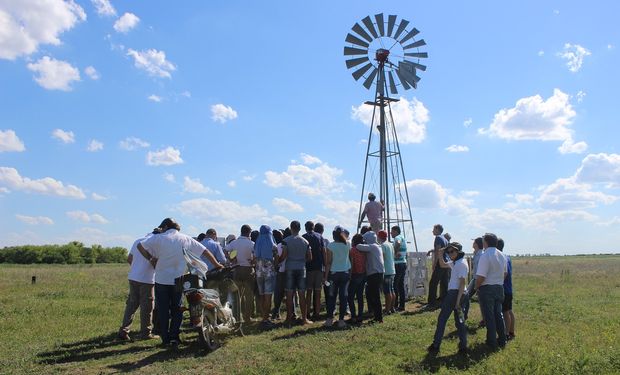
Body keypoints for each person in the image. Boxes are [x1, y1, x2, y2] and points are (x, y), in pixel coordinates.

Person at [137, 218, 224, 348]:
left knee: (163, 309)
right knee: (177, 309)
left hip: (161, 279)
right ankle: (174, 337)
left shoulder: (159, 238)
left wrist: (150, 258)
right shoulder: (185, 238)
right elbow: (205, 251)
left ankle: (165, 338)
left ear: (166, 227)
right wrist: (217, 264)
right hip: (178, 280)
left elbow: (140, 246)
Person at [427, 242, 469, 354]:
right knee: (459, 321)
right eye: (448, 251)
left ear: (458, 251)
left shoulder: (461, 264)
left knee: (443, 319)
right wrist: (441, 254)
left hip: (456, 294)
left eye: (452, 251)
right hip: (457, 294)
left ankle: (436, 345)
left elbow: (462, 283)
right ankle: (463, 347)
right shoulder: (456, 262)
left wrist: (458, 301)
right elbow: (442, 265)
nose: (450, 254)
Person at [118, 233, 157, 341]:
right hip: (147, 279)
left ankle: (124, 330)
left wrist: (137, 269)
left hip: (133, 277)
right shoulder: (156, 243)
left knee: (131, 305)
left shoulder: (137, 240)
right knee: (147, 307)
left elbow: (129, 258)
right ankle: (146, 332)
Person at [476, 233, 508, 349]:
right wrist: (498, 281)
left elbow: (481, 276)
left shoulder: (485, 255)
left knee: (489, 316)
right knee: (498, 315)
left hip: (487, 288)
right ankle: (502, 340)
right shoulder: (502, 255)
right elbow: (505, 273)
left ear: (486, 242)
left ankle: (492, 342)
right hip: (499, 287)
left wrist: (476, 287)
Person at [280, 220, 313, 326]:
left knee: (289, 295)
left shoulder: (286, 241)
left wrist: (278, 260)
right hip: (301, 268)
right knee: (302, 294)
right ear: (299, 229)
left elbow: (284, 255)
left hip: (290, 268)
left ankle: (289, 319)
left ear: (291, 228)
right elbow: (310, 257)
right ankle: (304, 319)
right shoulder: (305, 241)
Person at [225, 224, 255, 323]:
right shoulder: (251, 243)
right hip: (248, 270)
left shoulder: (234, 243)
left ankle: (237, 317)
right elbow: (255, 255)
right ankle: (247, 317)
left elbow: (225, 250)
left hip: (237, 269)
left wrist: (230, 259)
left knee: (237, 296)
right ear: (248, 232)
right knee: (249, 295)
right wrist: (252, 261)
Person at [324, 226, 351, 328]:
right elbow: (350, 258)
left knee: (332, 297)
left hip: (333, 274)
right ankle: (341, 320)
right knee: (343, 297)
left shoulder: (330, 246)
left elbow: (328, 262)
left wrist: (325, 277)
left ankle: (329, 319)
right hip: (345, 273)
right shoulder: (348, 244)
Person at [356, 231, 385, 323]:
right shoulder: (377, 246)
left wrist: (358, 241)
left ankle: (378, 317)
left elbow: (358, 246)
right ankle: (376, 315)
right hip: (377, 273)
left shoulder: (372, 247)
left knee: (375, 296)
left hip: (374, 274)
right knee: (371, 294)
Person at [254, 225, 277, 329]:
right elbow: (276, 258)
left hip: (259, 271)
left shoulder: (256, 244)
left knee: (261, 295)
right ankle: (266, 319)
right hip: (269, 271)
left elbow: (254, 258)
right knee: (268, 297)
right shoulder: (273, 245)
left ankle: (263, 317)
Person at [302, 221, 326, 321]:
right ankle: (317, 312)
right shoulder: (320, 237)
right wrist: (325, 264)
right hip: (319, 266)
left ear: (305, 227)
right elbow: (324, 251)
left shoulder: (303, 237)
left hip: (308, 267)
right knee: (318, 291)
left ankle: (307, 312)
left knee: (309, 291)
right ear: (313, 227)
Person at [427, 224, 450, 307]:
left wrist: (434, 263)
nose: (432, 231)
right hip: (446, 263)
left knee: (433, 283)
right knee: (444, 283)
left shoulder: (438, 238)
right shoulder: (445, 239)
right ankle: (443, 300)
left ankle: (432, 302)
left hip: (440, 263)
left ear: (437, 229)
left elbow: (438, 251)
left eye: (434, 229)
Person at [497, 238, 515, 340]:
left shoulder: (503, 258)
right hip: (508, 288)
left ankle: (506, 333)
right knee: (509, 310)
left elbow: (505, 273)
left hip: (504, 288)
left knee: (505, 311)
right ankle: (511, 332)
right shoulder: (507, 257)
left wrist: (499, 283)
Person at [348, 233, 366, 324]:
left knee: (350, 297)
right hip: (363, 275)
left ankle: (353, 316)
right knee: (360, 297)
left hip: (355, 275)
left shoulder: (352, 250)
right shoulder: (364, 250)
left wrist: (349, 276)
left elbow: (351, 264)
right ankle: (360, 315)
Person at [465, 237, 484, 322]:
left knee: (481, 300)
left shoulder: (481, 255)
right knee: (466, 296)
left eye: (474, 242)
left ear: (477, 244)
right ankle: (464, 315)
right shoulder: (476, 254)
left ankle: (485, 319)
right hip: (475, 278)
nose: (472, 243)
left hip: (478, 279)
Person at [378, 230, 396, 314]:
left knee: (387, 291)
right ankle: (392, 308)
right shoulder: (390, 244)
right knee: (391, 290)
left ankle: (387, 310)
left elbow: (383, 258)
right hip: (392, 269)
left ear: (379, 237)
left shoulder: (382, 246)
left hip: (386, 271)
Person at [271, 229, 286, 320]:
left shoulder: (276, 246)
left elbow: (275, 260)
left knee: (278, 294)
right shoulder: (284, 245)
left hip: (279, 271)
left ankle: (276, 312)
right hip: (287, 271)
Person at [391, 225, 407, 311]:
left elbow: (398, 243)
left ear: (396, 231)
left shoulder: (398, 237)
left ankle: (395, 304)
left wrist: (395, 252)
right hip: (403, 263)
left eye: (392, 231)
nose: (391, 233)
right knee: (400, 285)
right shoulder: (402, 237)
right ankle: (401, 305)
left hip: (398, 264)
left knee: (395, 285)